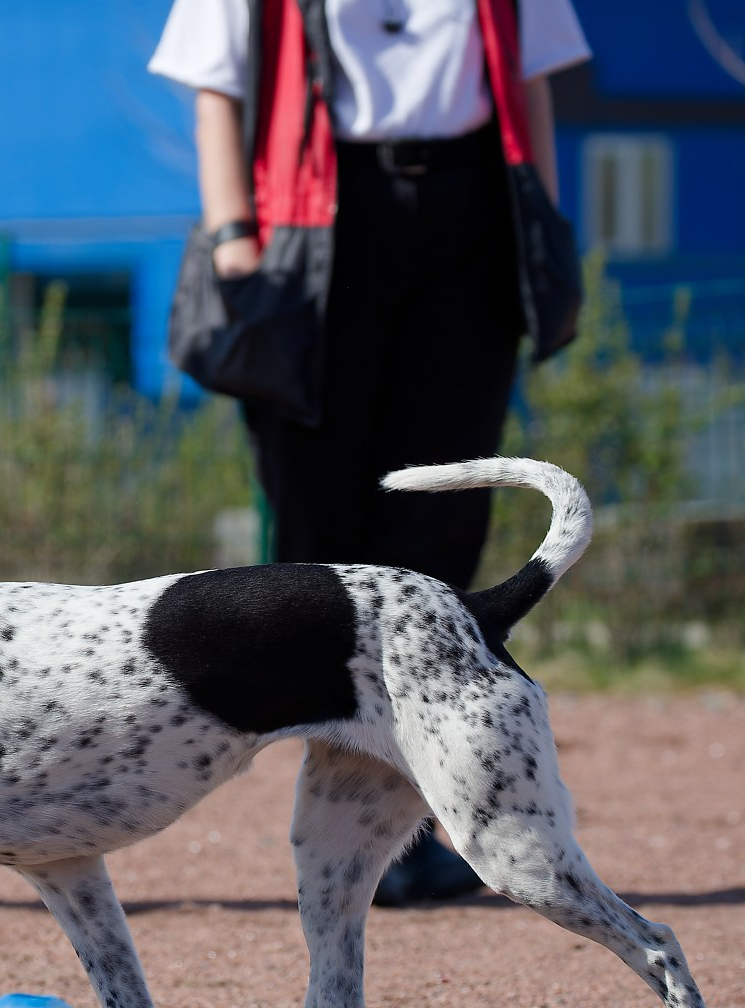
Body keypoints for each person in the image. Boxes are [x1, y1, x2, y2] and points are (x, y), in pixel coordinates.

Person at [150, 0, 589, 904]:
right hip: (310, 225)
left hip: (472, 217)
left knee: (442, 526)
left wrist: (539, 214)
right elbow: (213, 83)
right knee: (317, 538)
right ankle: (344, 821)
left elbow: (533, 80)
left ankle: (425, 823)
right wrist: (234, 237)